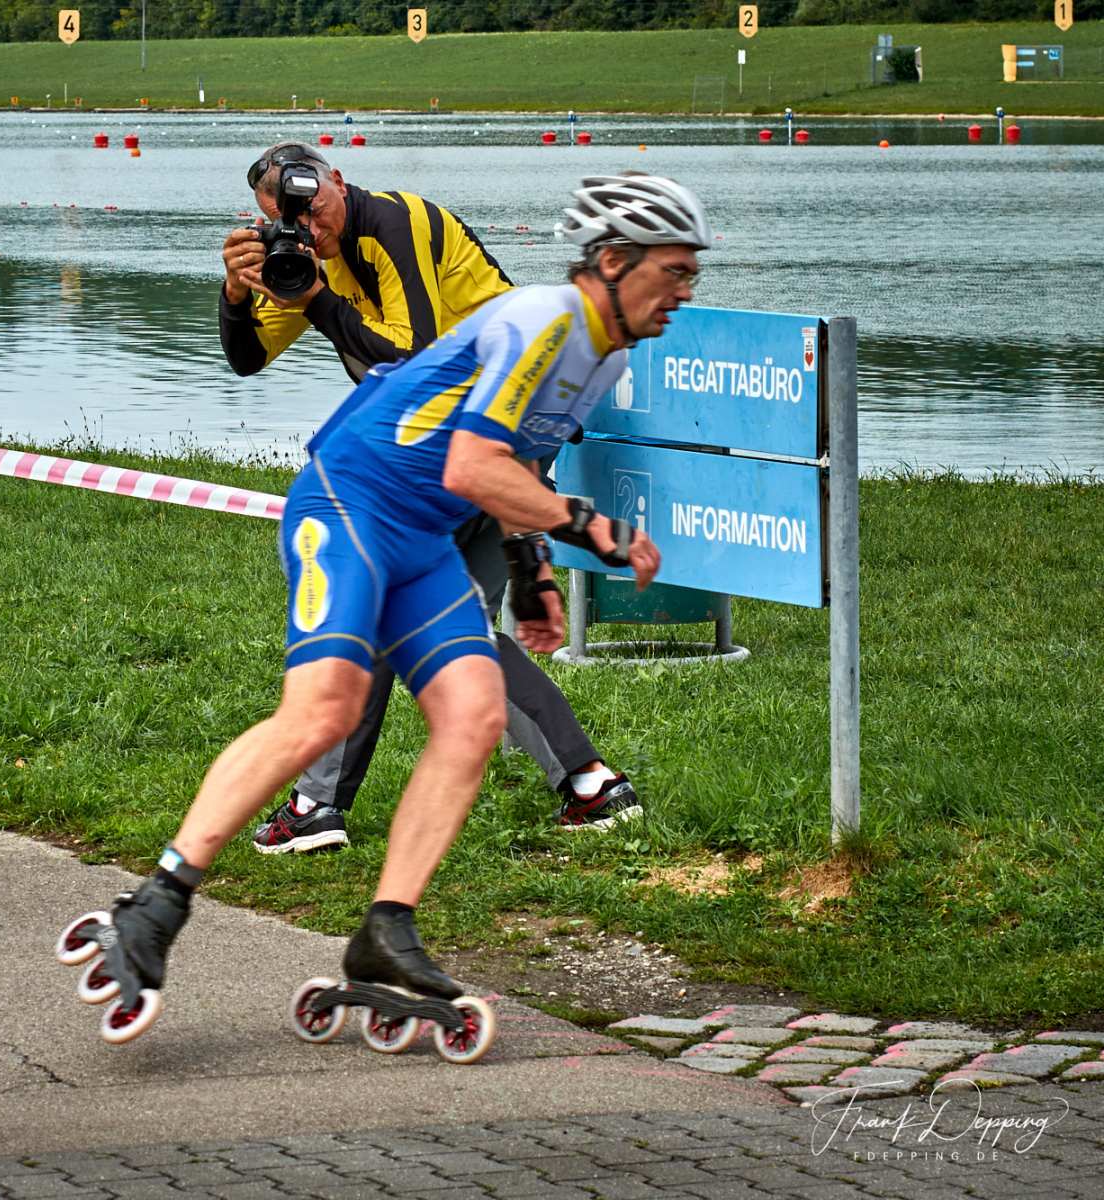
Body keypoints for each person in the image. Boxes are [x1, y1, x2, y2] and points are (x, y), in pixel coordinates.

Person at [70, 174, 709, 1045]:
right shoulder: (540, 321)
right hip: (350, 505)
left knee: (474, 717)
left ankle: (387, 930)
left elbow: (519, 458)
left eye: (690, 274)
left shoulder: (606, 356)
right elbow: (471, 467)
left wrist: (530, 570)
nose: (683, 291)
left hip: (422, 539)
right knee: (323, 712)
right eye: (674, 271)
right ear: (614, 261)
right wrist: (592, 528)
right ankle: (157, 904)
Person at [218, 141, 638, 854]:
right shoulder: (307, 259)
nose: (308, 227)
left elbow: (407, 356)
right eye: (288, 219)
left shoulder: (395, 222)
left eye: (313, 207)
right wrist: (235, 294)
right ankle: (590, 784)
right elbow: (246, 358)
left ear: (338, 181)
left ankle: (319, 805)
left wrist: (316, 301)